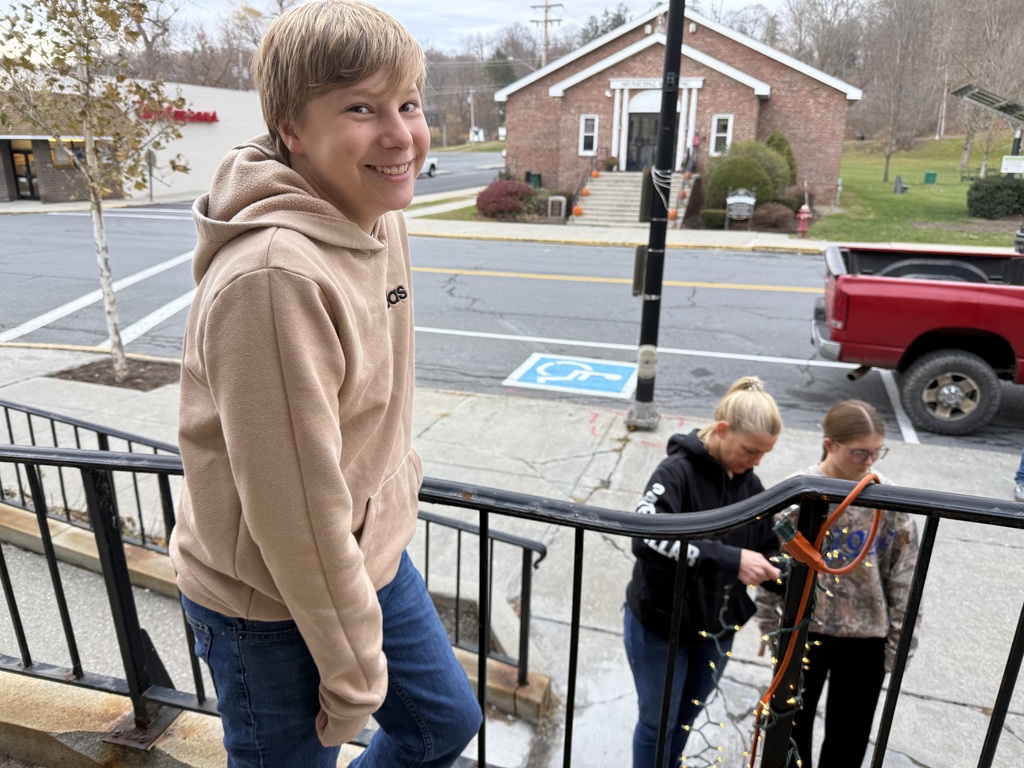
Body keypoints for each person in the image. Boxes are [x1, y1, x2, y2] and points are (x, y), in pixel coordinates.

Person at [168, 3, 481, 766]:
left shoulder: (376, 212)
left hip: (363, 552)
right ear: (292, 131)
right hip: (267, 601)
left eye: (408, 102)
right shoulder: (273, 278)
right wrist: (350, 670)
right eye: (361, 108)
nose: (401, 134)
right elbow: (292, 511)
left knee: (443, 725)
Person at [624, 375, 783, 768]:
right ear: (723, 430)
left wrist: (776, 568)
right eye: (750, 450)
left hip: (716, 630)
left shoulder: (752, 484)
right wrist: (731, 559)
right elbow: (645, 537)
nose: (756, 462)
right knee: (657, 722)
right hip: (661, 625)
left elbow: (767, 544)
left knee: (685, 718)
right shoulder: (675, 472)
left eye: (764, 454)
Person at [755, 400, 920, 768]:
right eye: (860, 452)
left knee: (849, 738)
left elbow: (905, 579)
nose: (870, 462)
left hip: (867, 640)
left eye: (877, 452)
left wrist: (900, 643)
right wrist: (769, 627)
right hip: (803, 632)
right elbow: (772, 566)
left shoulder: (890, 502)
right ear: (829, 444)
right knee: (789, 732)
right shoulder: (797, 496)